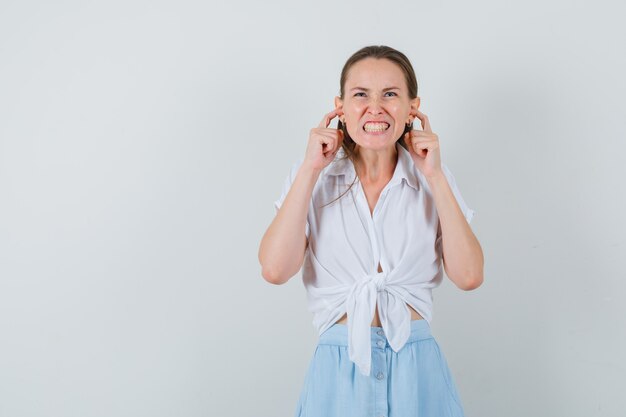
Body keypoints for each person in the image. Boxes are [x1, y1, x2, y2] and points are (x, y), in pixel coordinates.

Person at [258, 45, 484, 417]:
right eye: (360, 94)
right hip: (338, 368)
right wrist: (310, 170)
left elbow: (470, 275)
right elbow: (275, 270)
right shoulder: (313, 177)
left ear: (413, 107)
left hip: (417, 369)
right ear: (340, 107)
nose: (374, 107)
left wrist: (436, 177)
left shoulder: (433, 179)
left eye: (390, 94)